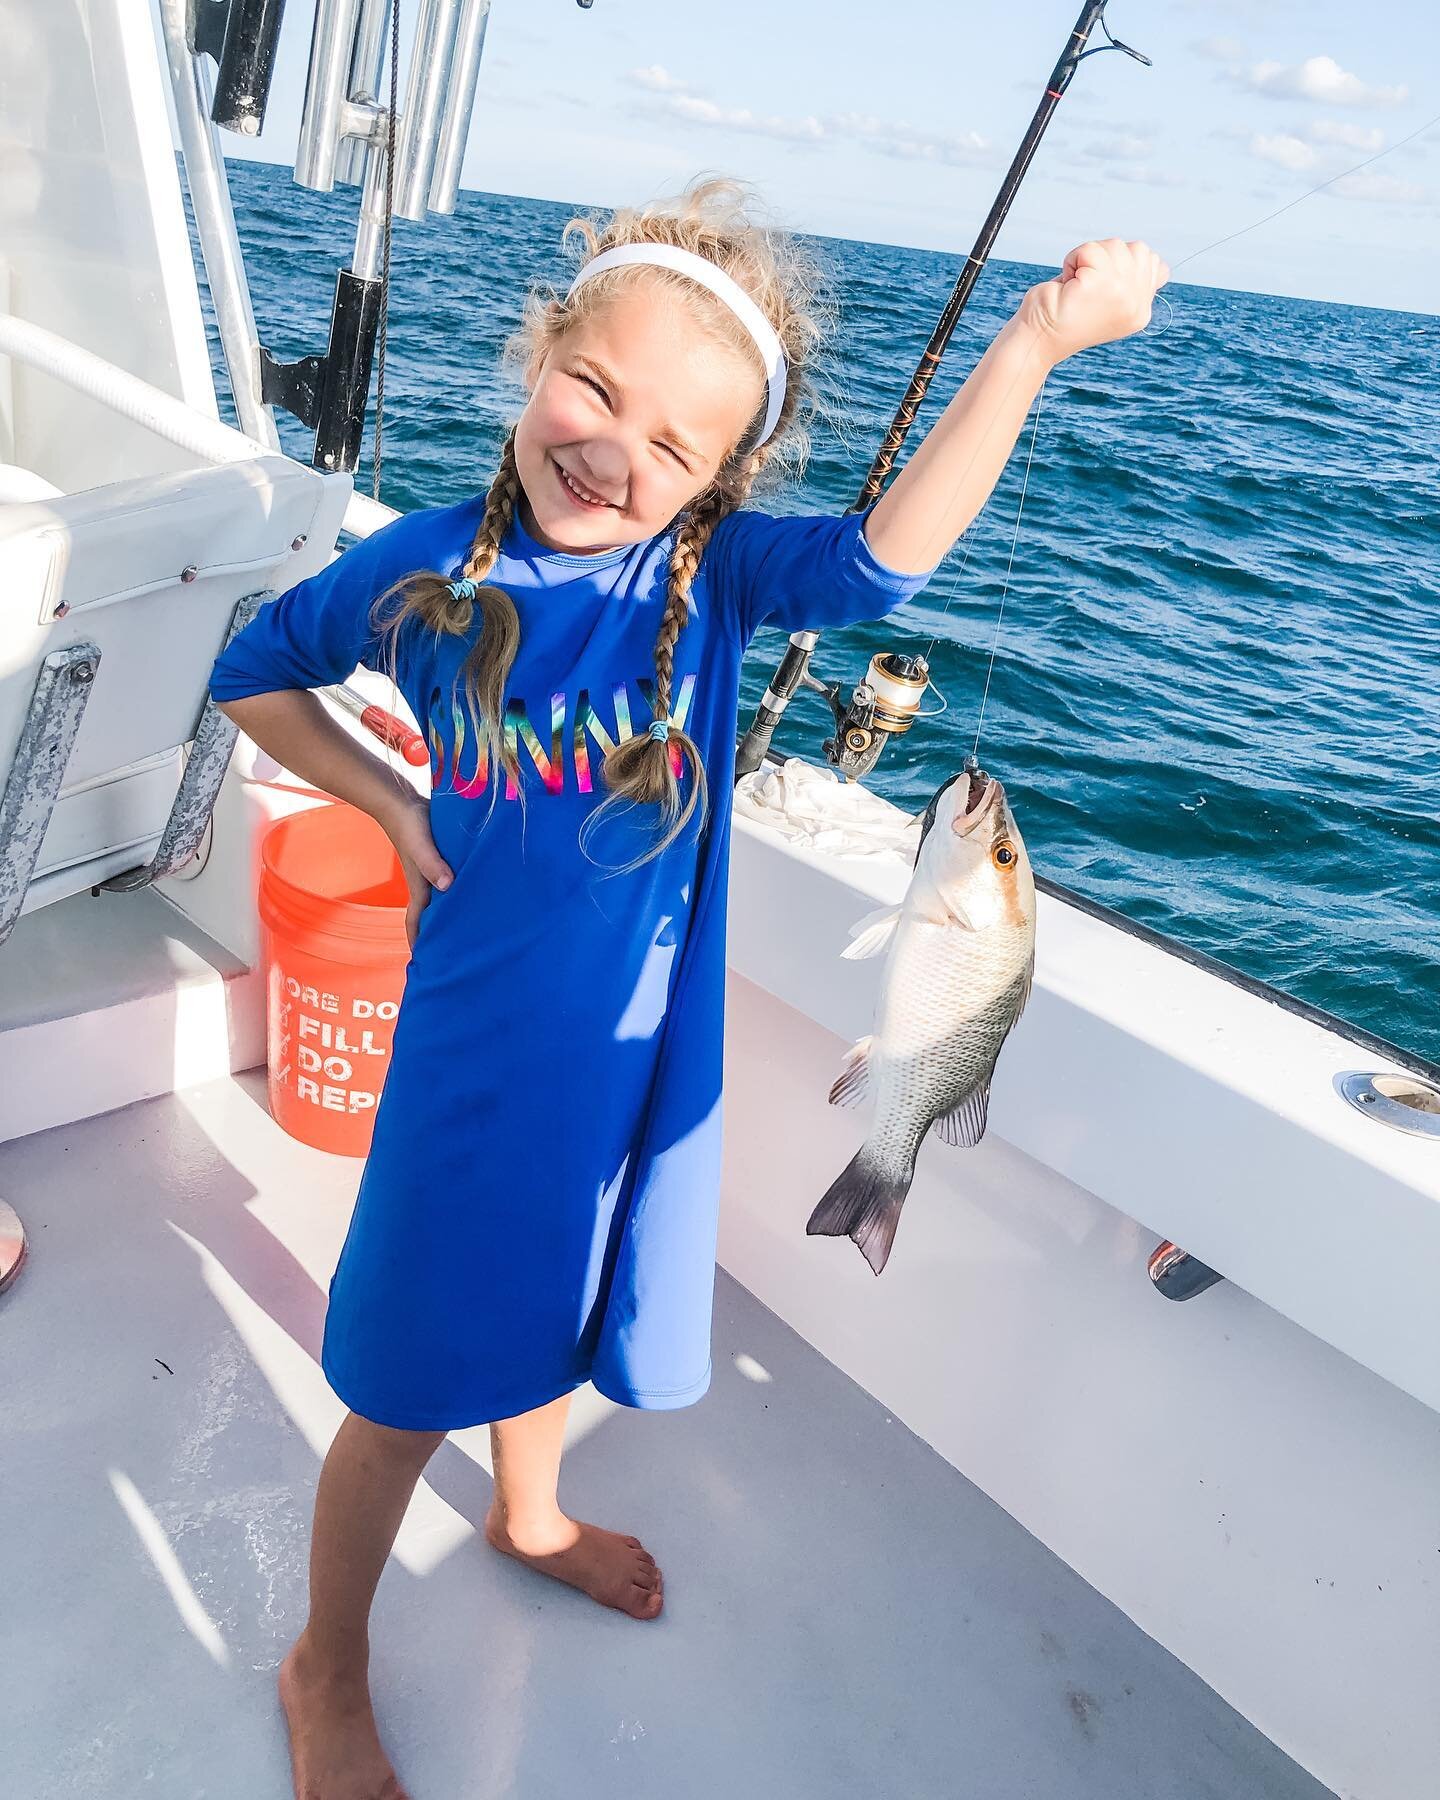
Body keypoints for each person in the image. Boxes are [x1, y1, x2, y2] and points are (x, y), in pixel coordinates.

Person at [209, 177, 1167, 1800]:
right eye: (594, 391)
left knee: (564, 1304)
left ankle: (527, 1511)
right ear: (534, 356)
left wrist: (1034, 345)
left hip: (636, 1068)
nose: (616, 454)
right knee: (402, 1381)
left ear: (722, 487)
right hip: (469, 1075)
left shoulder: (711, 584)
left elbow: (883, 560)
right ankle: (328, 1657)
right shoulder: (424, 573)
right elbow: (251, 672)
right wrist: (384, 797)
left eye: (678, 449)